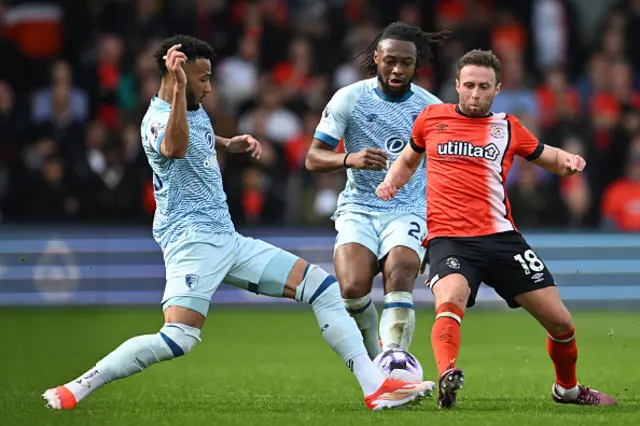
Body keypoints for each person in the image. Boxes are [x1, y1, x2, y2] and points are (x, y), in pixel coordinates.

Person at [42, 35, 437, 412]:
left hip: (226, 240)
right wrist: (180, 88)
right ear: (176, 77)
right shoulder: (157, 119)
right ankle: (77, 386)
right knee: (177, 338)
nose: (210, 87)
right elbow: (172, 147)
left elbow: (194, 136)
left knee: (321, 288)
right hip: (193, 243)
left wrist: (226, 142)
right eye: (203, 78)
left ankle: (376, 389)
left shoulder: (192, 110)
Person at [376, 49, 616, 408]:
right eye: (469, 85)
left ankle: (566, 390)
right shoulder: (431, 119)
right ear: (456, 85)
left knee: (562, 323)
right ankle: (447, 374)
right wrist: (390, 182)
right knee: (451, 297)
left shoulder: (508, 127)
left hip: (503, 240)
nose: (475, 94)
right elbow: (409, 159)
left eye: (483, 87)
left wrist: (567, 160)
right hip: (450, 239)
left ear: (497, 89)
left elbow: (545, 155)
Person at [306, 22, 448, 360]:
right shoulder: (350, 97)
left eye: (406, 63)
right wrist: (349, 158)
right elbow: (313, 157)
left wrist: (439, 230)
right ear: (376, 59)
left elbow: (445, 173)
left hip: (409, 208)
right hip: (359, 207)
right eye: (390, 61)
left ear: (416, 64)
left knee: (398, 271)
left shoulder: (432, 110)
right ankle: (377, 359)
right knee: (352, 289)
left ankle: (396, 359)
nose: (398, 69)